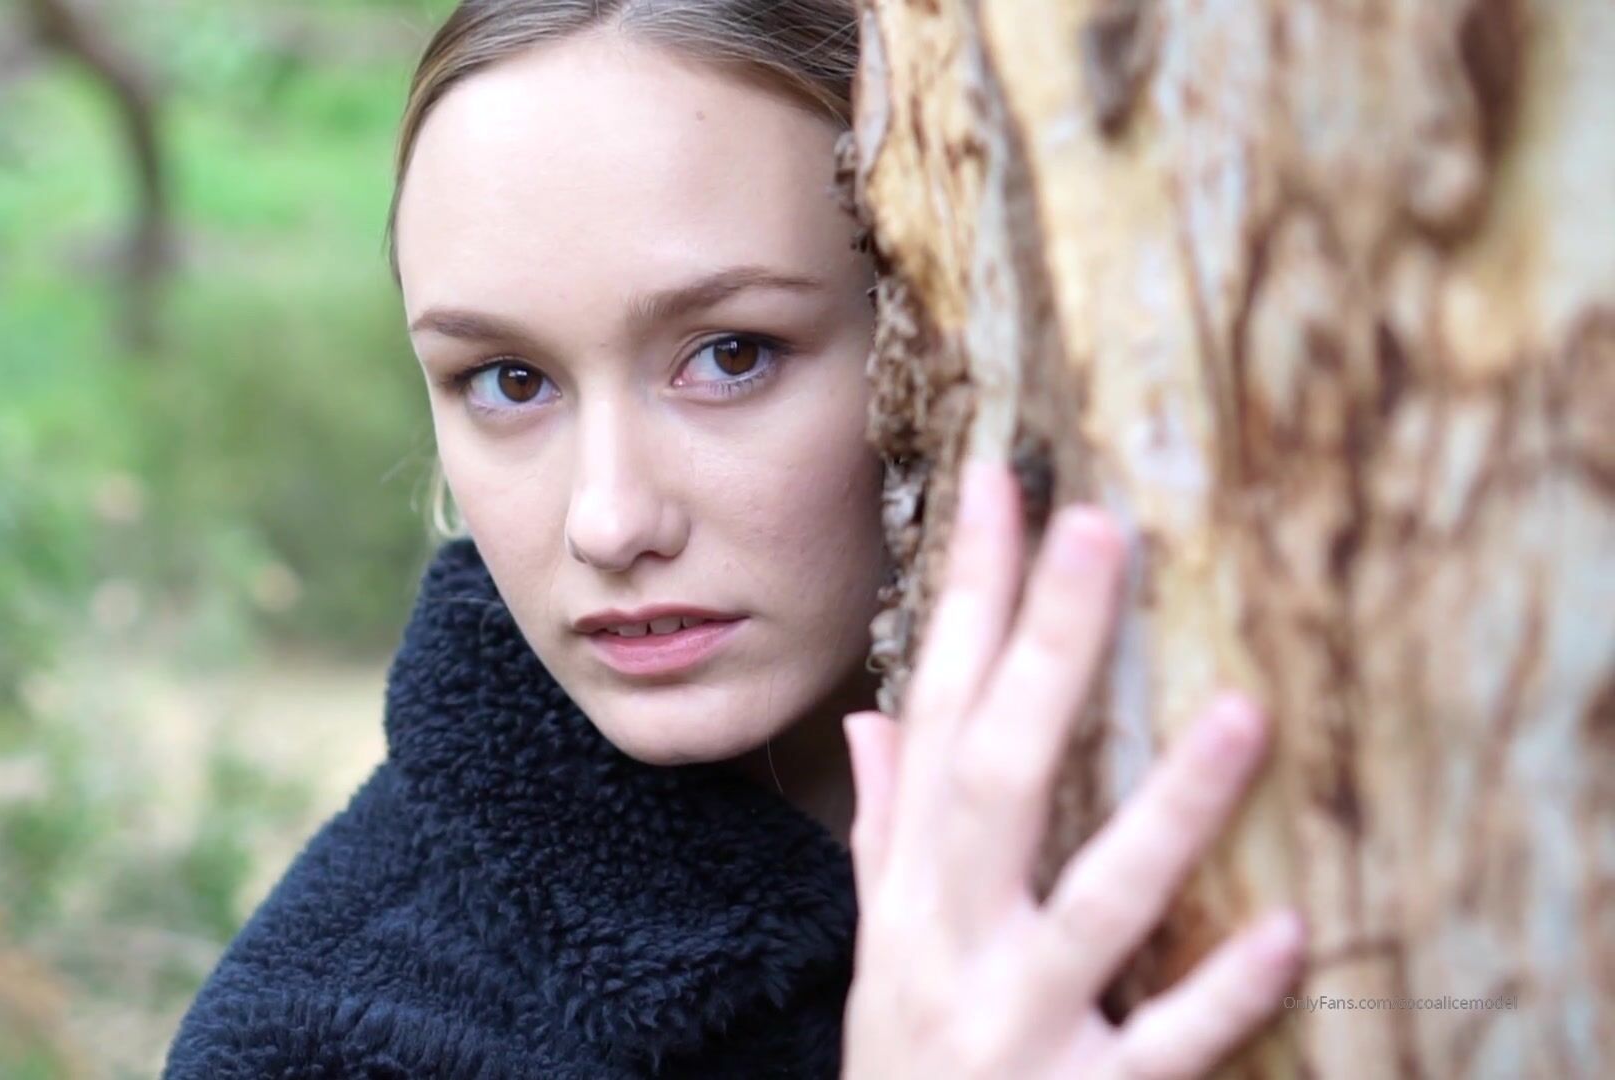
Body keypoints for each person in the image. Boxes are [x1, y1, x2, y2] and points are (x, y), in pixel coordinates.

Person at [164, 1, 1307, 1076]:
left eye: (729, 356)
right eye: (507, 381)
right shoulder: (316, 1044)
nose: (610, 520)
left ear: (940, 344)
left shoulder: (1271, 760)